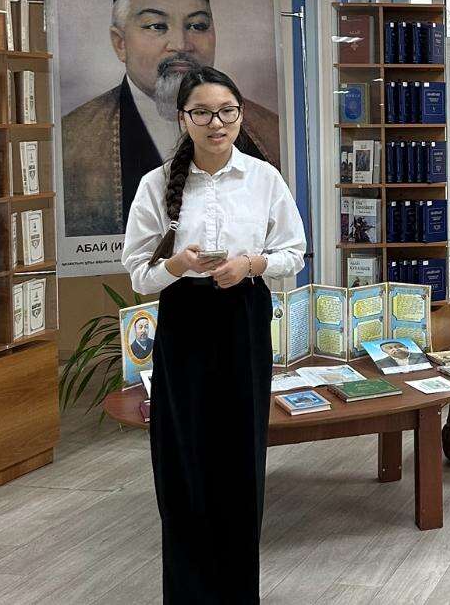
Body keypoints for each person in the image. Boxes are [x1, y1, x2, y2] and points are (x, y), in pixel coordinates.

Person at [121, 66, 305, 604]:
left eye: (226, 111)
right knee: (184, 456)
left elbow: (293, 253)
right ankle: (188, 592)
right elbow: (138, 275)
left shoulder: (264, 178)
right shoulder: (156, 184)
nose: (216, 123)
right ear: (183, 119)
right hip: (185, 321)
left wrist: (251, 264)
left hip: (244, 315)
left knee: (240, 456)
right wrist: (177, 265)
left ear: (240, 114)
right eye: (201, 112)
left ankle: (237, 593)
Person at [65, 0, 280, 237]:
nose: (180, 44)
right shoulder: (75, 140)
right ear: (120, 43)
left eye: (197, 26)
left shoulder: (268, 131)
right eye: (157, 26)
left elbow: (287, 246)